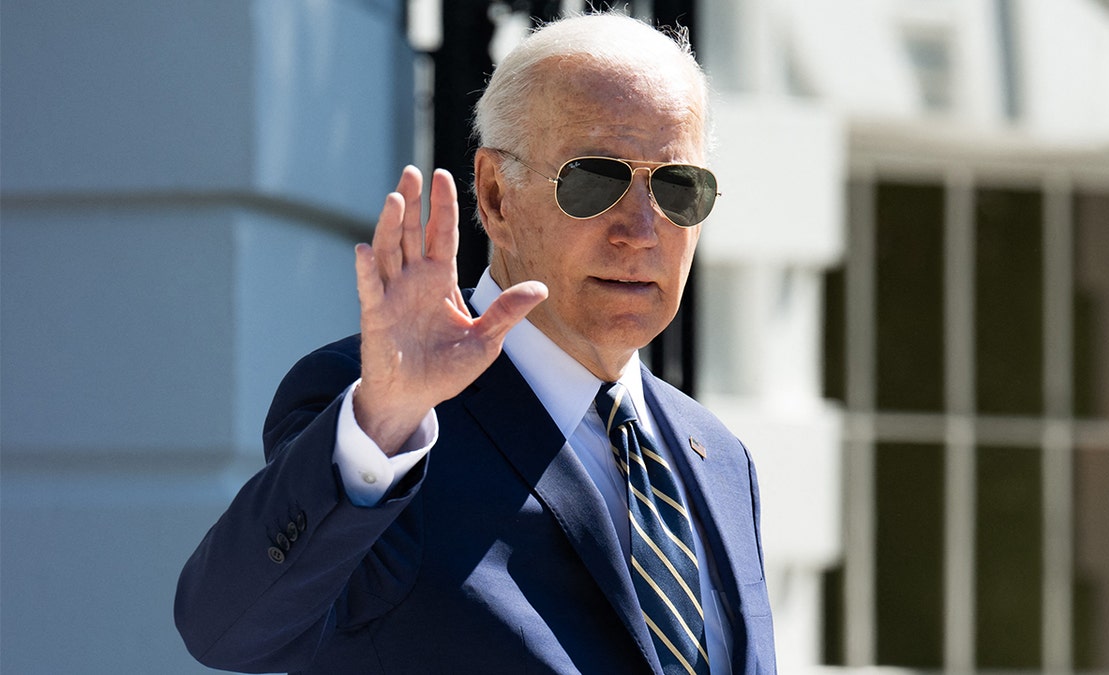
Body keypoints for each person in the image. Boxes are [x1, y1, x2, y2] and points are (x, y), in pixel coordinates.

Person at [175, 12, 776, 675]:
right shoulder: (389, 421)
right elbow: (226, 627)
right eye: (595, 180)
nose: (640, 228)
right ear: (495, 195)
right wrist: (381, 424)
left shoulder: (717, 455)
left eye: (676, 186)